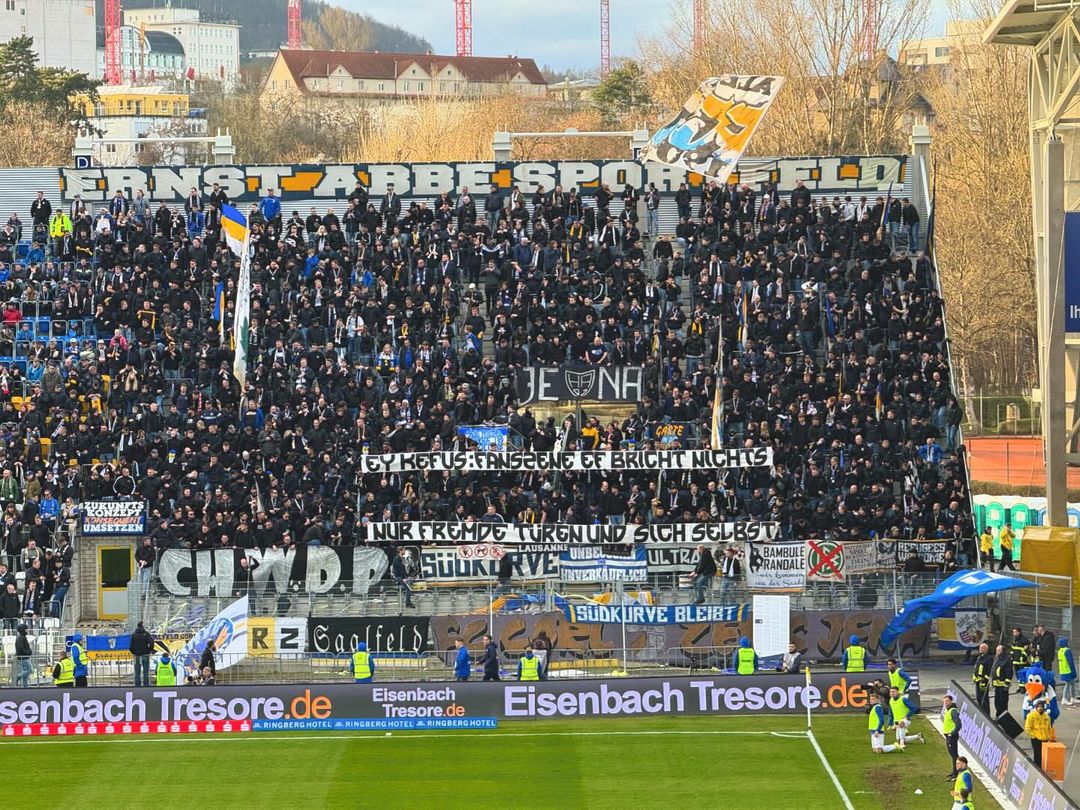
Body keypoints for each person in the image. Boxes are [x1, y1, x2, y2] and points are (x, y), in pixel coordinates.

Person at [1025, 699, 1055, 768]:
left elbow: (1049, 728)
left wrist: (1050, 737)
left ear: (1044, 707)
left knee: (1044, 756)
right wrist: (1034, 736)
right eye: (1038, 706)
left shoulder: (1047, 717)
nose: (1040, 708)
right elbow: (1027, 728)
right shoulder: (1031, 716)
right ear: (1036, 707)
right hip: (1036, 739)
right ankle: (1037, 769)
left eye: (1041, 706)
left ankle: (1042, 769)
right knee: (1037, 755)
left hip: (1045, 739)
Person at [942, 695, 962, 779]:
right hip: (949, 736)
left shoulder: (953, 711)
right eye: (944, 701)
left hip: (952, 736)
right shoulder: (949, 710)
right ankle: (954, 771)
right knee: (953, 755)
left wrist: (952, 733)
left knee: (954, 755)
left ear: (951, 701)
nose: (945, 703)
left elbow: (958, 724)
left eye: (947, 701)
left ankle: (956, 773)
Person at [129, 621, 155, 687]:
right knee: (146, 672)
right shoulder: (146, 634)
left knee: (137, 672)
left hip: (137, 656)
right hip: (145, 655)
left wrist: (134, 652)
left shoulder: (133, 635)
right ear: (142, 626)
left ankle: (137, 686)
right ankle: (146, 686)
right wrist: (149, 650)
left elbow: (130, 647)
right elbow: (151, 643)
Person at [992, 643, 1013, 716]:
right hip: (997, 685)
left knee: (1003, 702)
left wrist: (1006, 685)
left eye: (998, 650)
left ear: (1002, 651)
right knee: (996, 702)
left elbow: (1009, 673)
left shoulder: (1007, 660)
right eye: (996, 650)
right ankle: (998, 715)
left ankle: (1003, 717)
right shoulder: (997, 659)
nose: (996, 652)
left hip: (1003, 686)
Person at [972, 641, 993, 712]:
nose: (980, 649)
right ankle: (981, 712)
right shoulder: (979, 657)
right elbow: (976, 668)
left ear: (986, 649)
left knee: (984, 699)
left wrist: (984, 680)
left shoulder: (989, 658)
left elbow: (989, 671)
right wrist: (974, 678)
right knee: (978, 698)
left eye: (982, 648)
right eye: (980, 648)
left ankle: (986, 714)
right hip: (977, 681)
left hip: (983, 682)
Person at [1058, 638, 1076, 706]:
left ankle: (1073, 697)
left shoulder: (1060, 651)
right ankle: (1064, 699)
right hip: (1068, 671)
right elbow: (1071, 662)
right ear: (1065, 643)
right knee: (1068, 684)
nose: (1068, 643)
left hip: (1062, 670)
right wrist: (1074, 672)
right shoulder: (1067, 651)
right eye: (1067, 642)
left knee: (1072, 683)